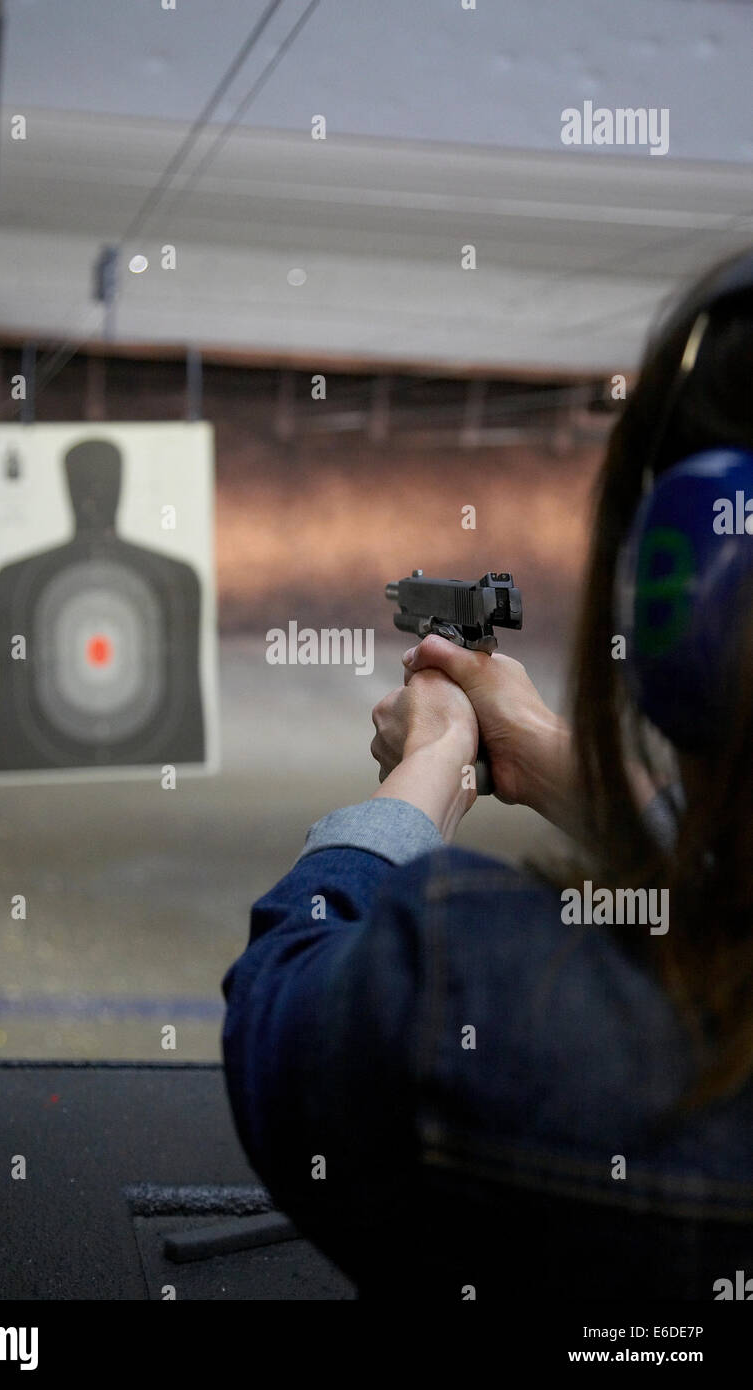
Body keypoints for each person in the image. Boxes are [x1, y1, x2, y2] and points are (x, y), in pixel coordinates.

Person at [222, 250, 753, 1301]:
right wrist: (556, 761)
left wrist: (422, 772)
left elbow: (276, 1024)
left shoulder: (494, 1003)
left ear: (671, 603)